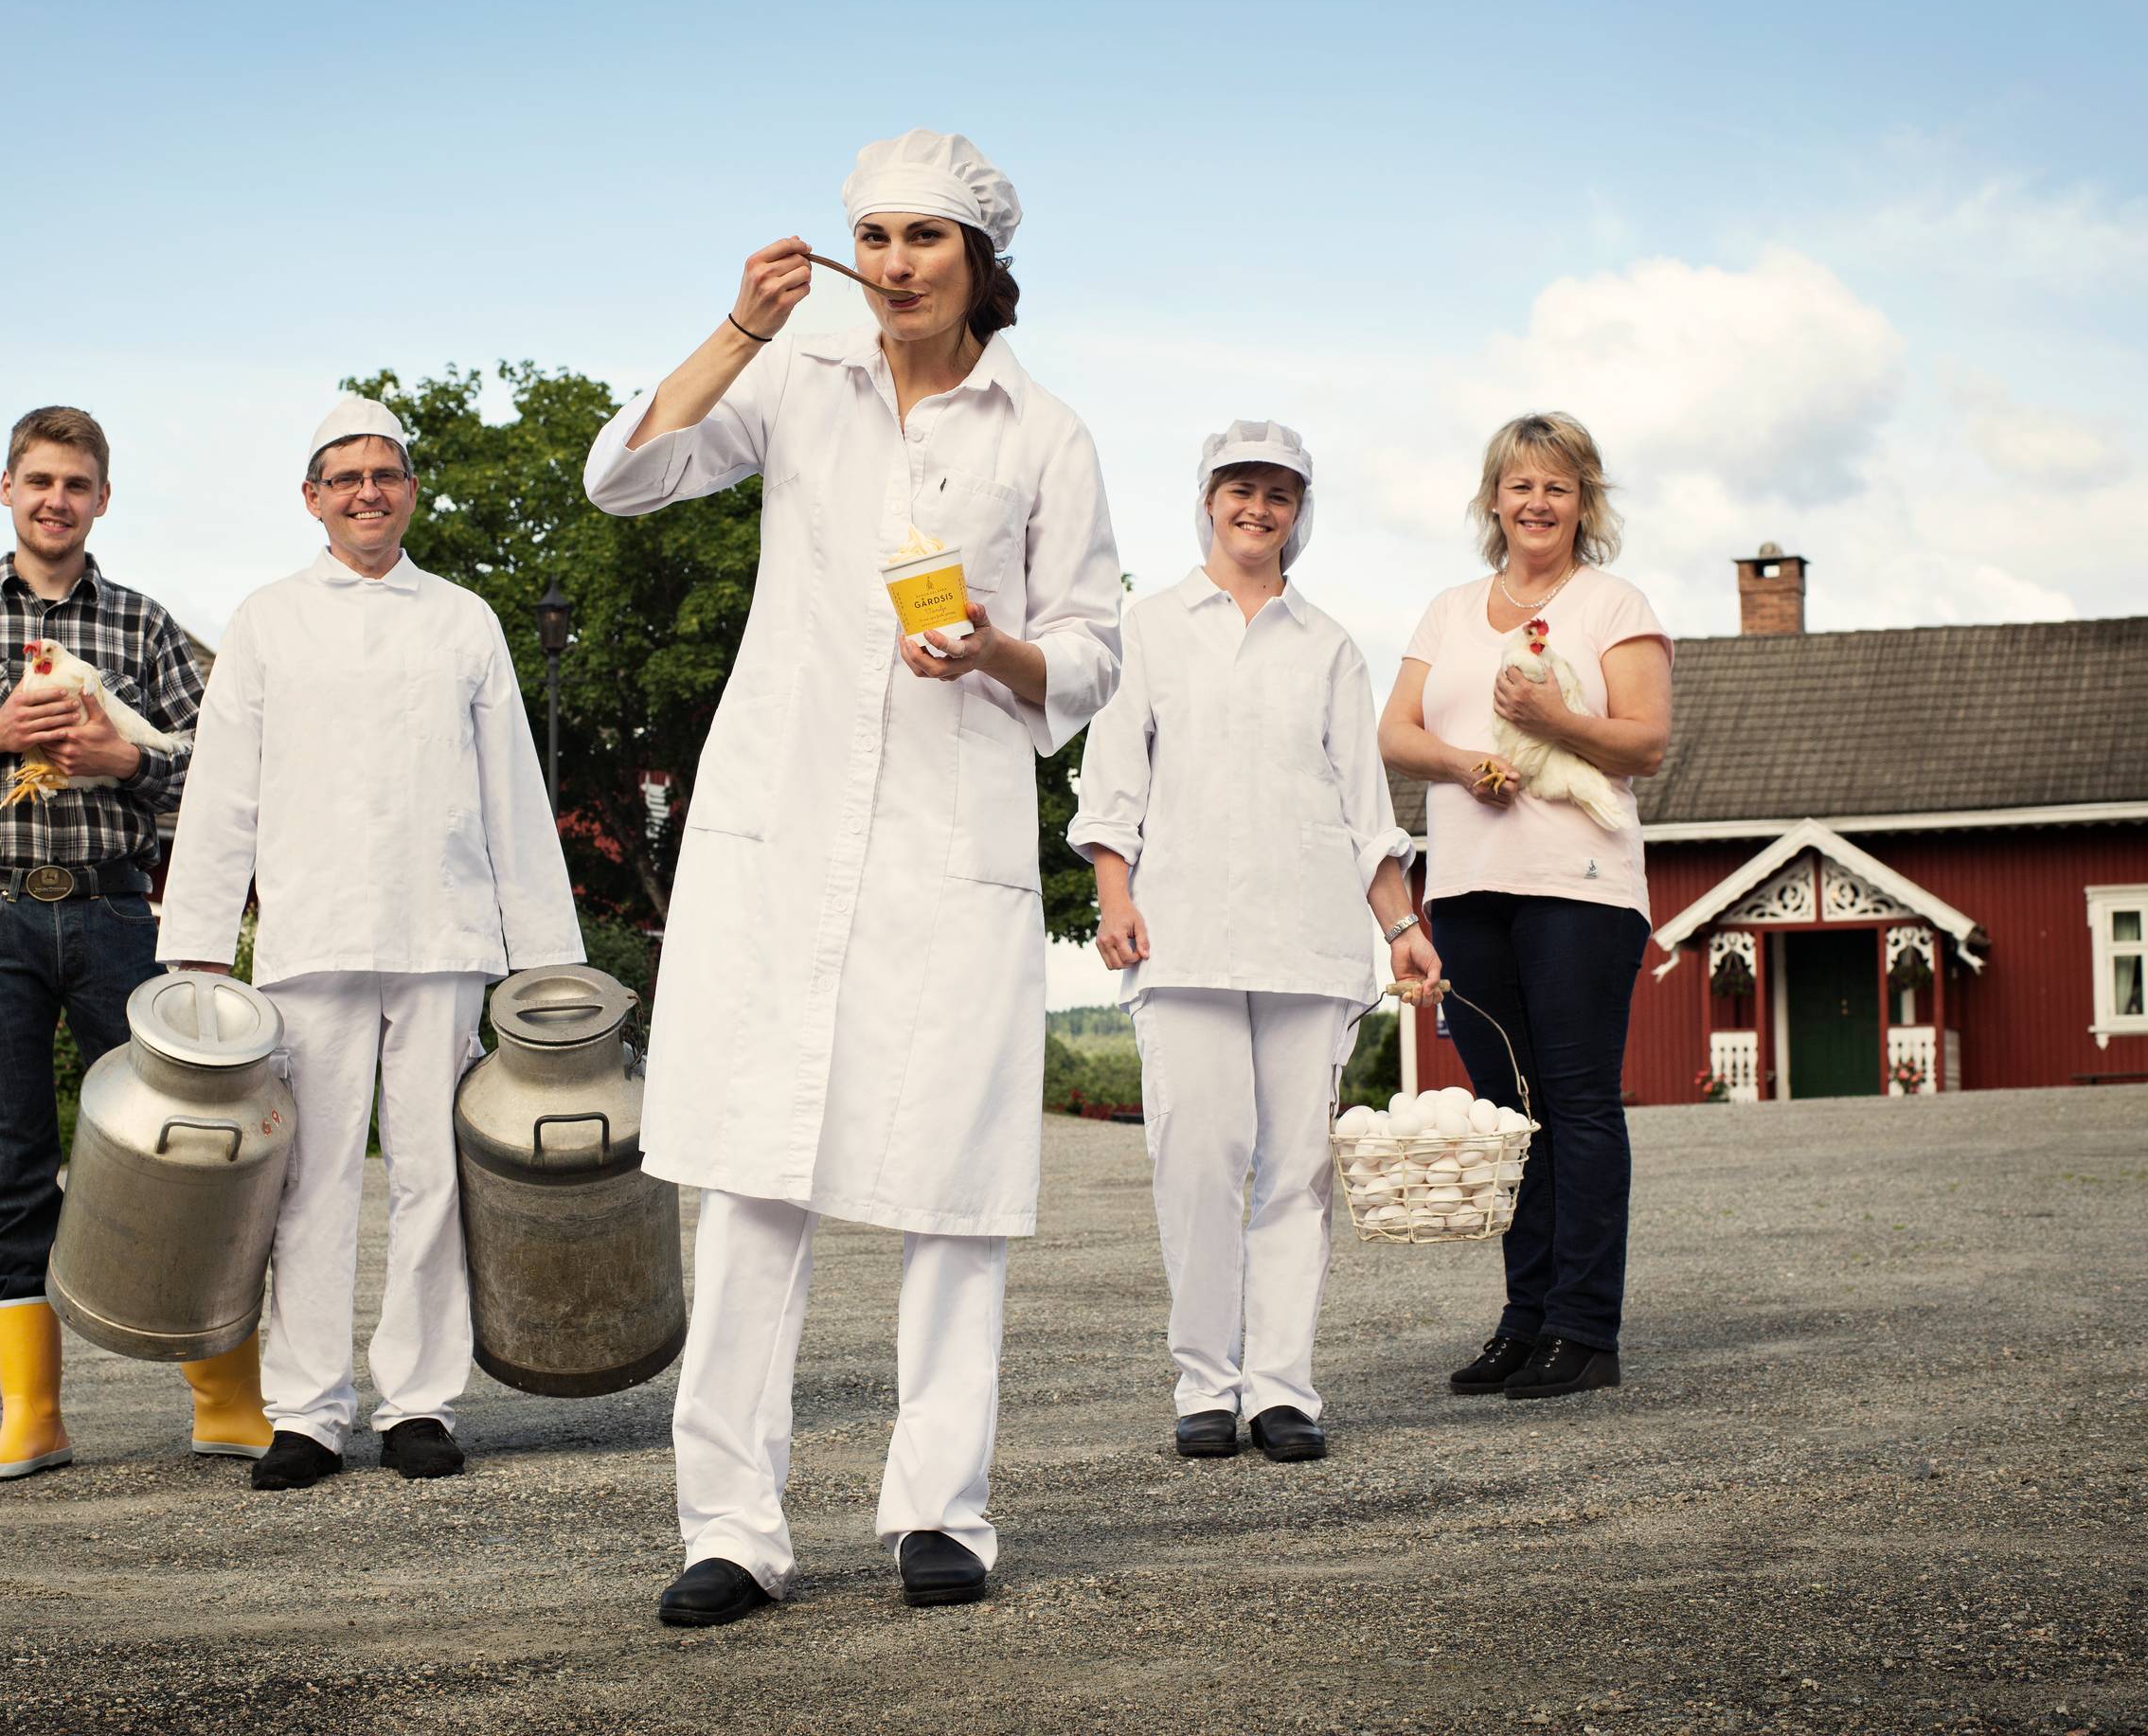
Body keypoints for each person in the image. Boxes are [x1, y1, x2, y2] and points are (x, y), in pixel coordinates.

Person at [582, 130, 1123, 1623]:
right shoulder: (794, 384)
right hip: (783, 826)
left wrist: (1000, 649)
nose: (893, 265)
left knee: (949, 1185)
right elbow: (623, 474)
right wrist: (742, 325)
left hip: (948, 838)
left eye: (925, 241)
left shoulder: (1044, 433)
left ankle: (940, 1513)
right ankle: (730, 1528)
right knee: (755, 1178)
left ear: (978, 264)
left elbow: (1092, 641)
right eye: (873, 238)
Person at [157, 396, 584, 1491]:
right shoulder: (266, 620)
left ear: (408, 491)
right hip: (313, 930)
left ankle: (420, 1402)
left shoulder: (464, 620)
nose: (365, 492)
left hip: (443, 930)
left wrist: (545, 959)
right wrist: (198, 948)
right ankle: (306, 1411)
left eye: (384, 474)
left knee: (436, 1175)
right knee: (309, 1178)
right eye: (343, 477)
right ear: (312, 497)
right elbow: (222, 795)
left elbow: (512, 799)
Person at [0, 404, 260, 1479]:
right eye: (38, 481)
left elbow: (222, 769)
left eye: (75, 484)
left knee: (185, 1148)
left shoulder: (141, 625)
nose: (55, 500)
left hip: (115, 909)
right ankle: (32, 1416)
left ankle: (225, 1399)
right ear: (6, 488)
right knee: (15, 1167)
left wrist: (124, 763)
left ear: (101, 499)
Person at [1070, 421, 1441, 1462]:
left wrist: (1402, 928)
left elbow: (1365, 810)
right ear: (1207, 499)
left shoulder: (1327, 646)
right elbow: (1113, 785)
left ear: (1299, 512)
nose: (1258, 508)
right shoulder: (1147, 629)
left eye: (1279, 493)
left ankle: (1282, 1389)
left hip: (1308, 936)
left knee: (1296, 1171)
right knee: (1197, 1158)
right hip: (1179, 935)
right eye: (1241, 488)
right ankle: (1204, 1385)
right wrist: (1115, 894)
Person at [1375, 413, 1673, 1400]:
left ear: (1584, 502)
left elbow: (1644, 744)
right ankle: (1526, 1318)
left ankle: (1585, 1332)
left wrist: (1554, 722)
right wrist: (1467, 762)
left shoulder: (1613, 604)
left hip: (1578, 889)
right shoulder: (1451, 611)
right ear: (1492, 501)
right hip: (1465, 888)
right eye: (1520, 486)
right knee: (1510, 1113)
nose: (1537, 502)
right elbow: (1396, 734)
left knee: (1577, 1103)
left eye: (1558, 485)